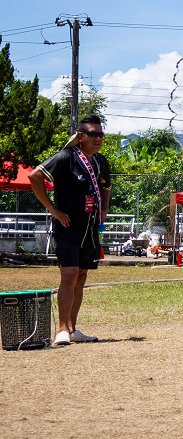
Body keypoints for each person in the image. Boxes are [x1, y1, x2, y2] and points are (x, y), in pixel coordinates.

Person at [28, 114, 111, 346]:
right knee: (69, 274)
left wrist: (104, 210)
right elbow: (34, 176)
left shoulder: (100, 161)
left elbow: (106, 188)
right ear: (81, 136)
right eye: (93, 134)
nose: (98, 138)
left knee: (82, 276)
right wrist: (53, 210)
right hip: (67, 225)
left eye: (101, 134)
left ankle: (73, 328)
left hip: (90, 227)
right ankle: (62, 329)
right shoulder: (66, 157)